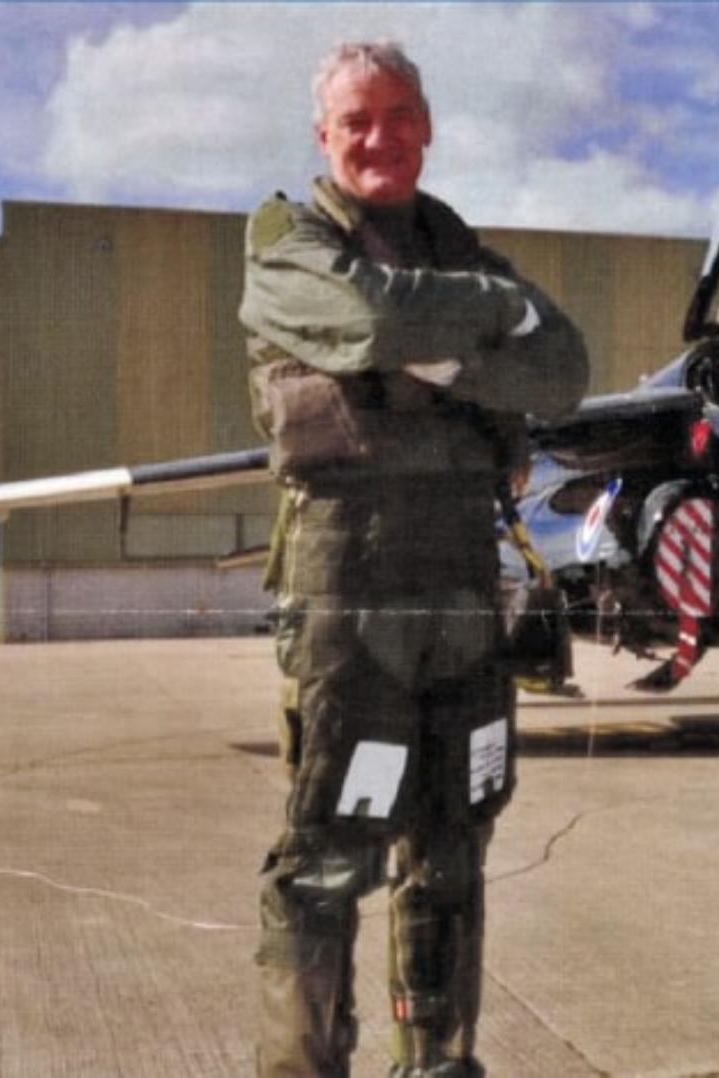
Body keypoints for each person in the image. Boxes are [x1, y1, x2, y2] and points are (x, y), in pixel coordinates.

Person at [239, 41, 587, 1077]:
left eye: (399, 117)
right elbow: (364, 315)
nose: (379, 138)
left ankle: (437, 1064)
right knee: (328, 864)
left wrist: (430, 350)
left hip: (463, 607)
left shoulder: (456, 240)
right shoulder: (287, 244)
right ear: (324, 136)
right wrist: (486, 325)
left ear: (427, 128)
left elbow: (562, 372)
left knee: (451, 851)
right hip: (355, 610)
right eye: (356, 121)